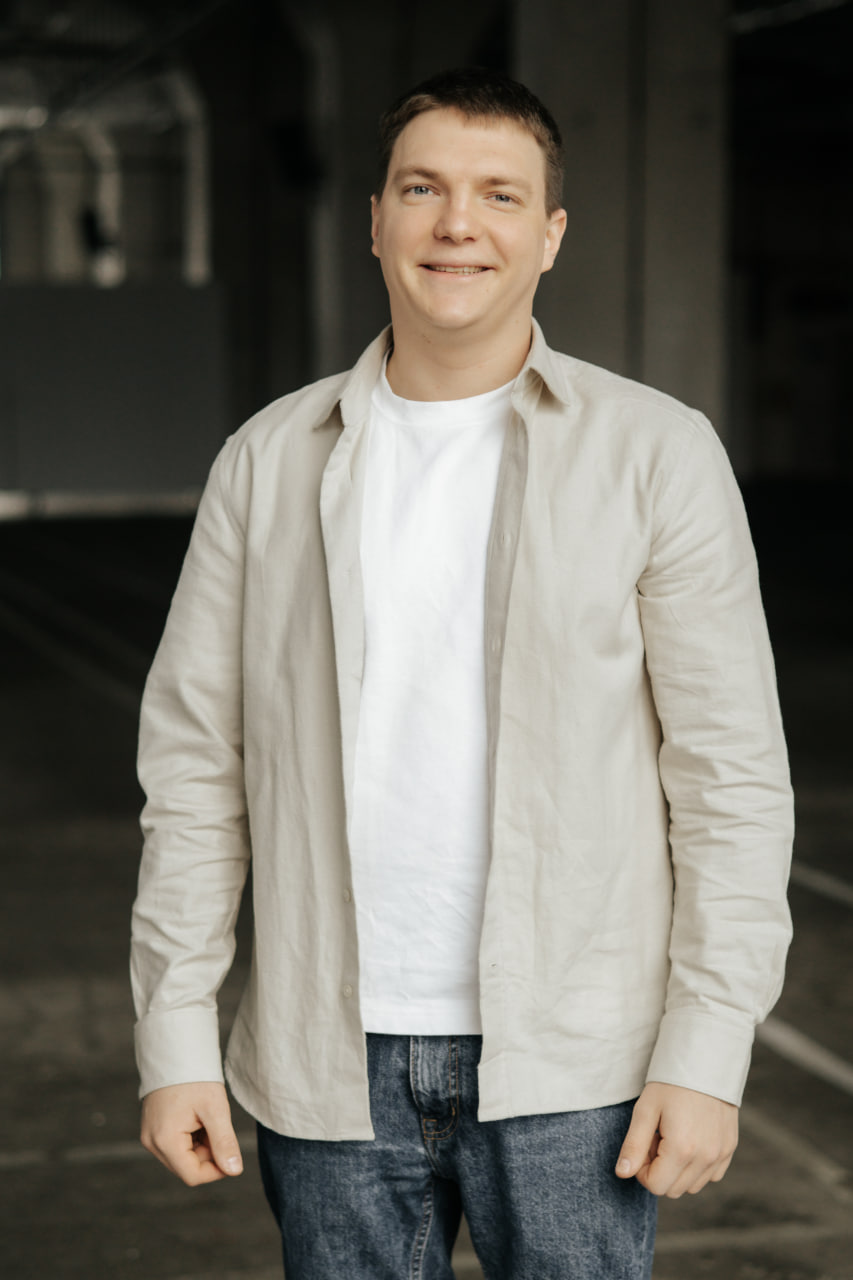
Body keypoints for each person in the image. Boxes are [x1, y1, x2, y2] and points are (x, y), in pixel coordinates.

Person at [131, 67, 794, 1280]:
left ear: (549, 234)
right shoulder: (266, 461)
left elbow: (729, 778)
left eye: (499, 194)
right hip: (326, 1054)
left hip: (576, 1060)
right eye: (422, 188)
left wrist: (706, 1048)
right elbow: (194, 769)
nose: (456, 224)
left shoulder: (656, 454)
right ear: (375, 218)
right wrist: (175, 1031)